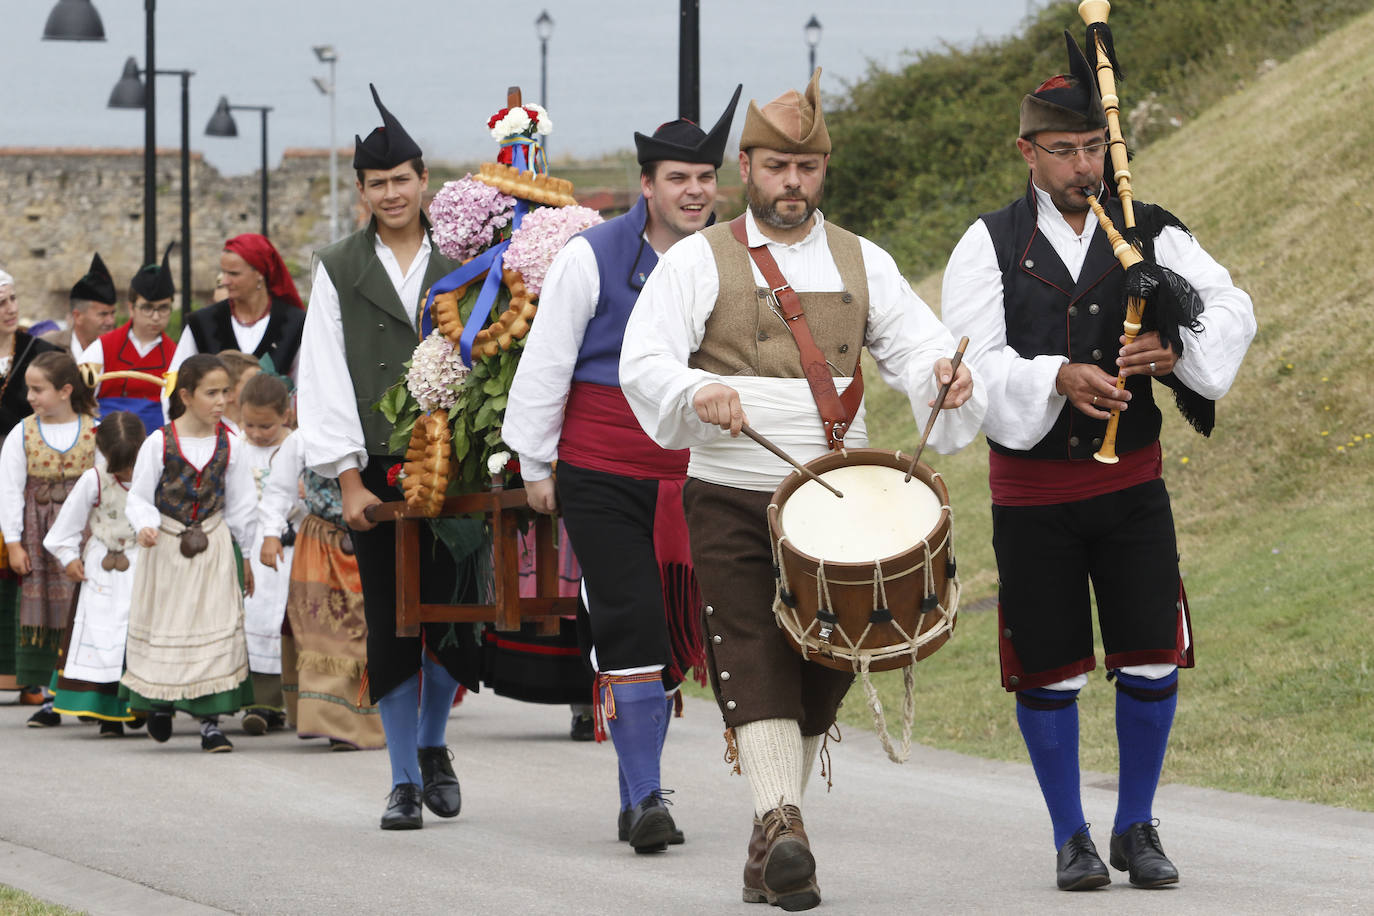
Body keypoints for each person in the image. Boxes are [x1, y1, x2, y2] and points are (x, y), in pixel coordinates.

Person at [619, 71, 985, 909]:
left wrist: (942, 375)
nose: (793, 183)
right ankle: (784, 821)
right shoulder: (698, 261)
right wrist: (690, 392)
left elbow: (921, 343)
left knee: (829, 661)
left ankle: (765, 843)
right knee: (750, 648)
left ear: (823, 172)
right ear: (746, 167)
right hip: (730, 487)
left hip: (842, 508)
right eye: (777, 166)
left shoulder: (864, 259)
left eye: (807, 168)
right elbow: (644, 361)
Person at [939, 34, 1256, 892]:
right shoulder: (989, 244)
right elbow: (970, 366)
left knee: (1151, 652)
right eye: (1063, 150)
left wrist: (1174, 345)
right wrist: (1055, 377)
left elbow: (1233, 307)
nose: (1083, 165)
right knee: (1049, 665)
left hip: (1131, 488)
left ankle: (1136, 824)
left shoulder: (1150, 231)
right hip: (1034, 494)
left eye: (1092, 148)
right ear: (1028, 153)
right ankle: (1070, 835)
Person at [504, 85, 741, 854]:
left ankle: (640, 784)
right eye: (677, 178)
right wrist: (536, 460)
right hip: (602, 465)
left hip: (701, 471)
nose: (694, 191)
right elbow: (548, 362)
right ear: (647, 184)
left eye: (705, 178)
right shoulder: (592, 255)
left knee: (676, 633)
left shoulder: (738, 259)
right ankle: (644, 799)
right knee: (630, 619)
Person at [298, 83, 480, 830]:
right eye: (378, 184)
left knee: (457, 620)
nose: (393, 193)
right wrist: (346, 480)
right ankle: (403, 778)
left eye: (403, 179)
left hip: (461, 461)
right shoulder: (338, 266)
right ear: (363, 192)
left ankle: (435, 744)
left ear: (423, 179)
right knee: (391, 624)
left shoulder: (468, 256)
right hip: (376, 467)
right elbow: (322, 373)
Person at [120, 354, 258, 753]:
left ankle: (210, 723)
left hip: (213, 543)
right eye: (210, 393)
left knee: (211, 625)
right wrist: (145, 524)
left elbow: (243, 506)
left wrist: (245, 555)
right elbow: (140, 496)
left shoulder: (231, 444)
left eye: (225, 392)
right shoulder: (158, 442)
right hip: (166, 544)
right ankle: (160, 704)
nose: (221, 401)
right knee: (167, 623)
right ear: (186, 395)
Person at [260, 425, 384, 751]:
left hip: (371, 540)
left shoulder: (372, 432)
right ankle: (332, 722)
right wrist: (272, 533)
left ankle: (367, 720)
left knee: (365, 630)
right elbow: (279, 489)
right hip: (319, 543)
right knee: (322, 631)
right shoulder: (301, 440)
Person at [0, 352, 100, 726]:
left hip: (83, 535)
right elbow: (9, 490)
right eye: (28, 388)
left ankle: (86, 690)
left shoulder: (95, 430)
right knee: (42, 609)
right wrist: (13, 542)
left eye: (38, 389)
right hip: (38, 535)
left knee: (84, 608)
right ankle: (47, 695)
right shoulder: (22, 433)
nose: (30, 396)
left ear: (65, 391)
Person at [43, 411, 147, 736]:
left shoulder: (154, 476)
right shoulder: (95, 479)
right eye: (121, 465)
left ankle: (138, 704)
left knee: (137, 632)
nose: (128, 472)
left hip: (143, 564)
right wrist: (69, 556)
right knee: (101, 635)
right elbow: (65, 527)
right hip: (102, 569)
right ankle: (105, 712)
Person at [0, 269, 60, 700]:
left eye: (13, 299)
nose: (11, 309)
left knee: (20, 571)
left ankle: (26, 674)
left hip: (24, 475)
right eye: (1, 303)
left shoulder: (37, 353)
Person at [236, 371, 296, 735]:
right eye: (250, 425)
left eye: (266, 426)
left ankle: (290, 702)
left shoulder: (296, 446)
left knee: (285, 620)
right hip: (251, 545)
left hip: (290, 544)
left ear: (286, 416)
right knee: (254, 619)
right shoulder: (237, 447)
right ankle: (258, 702)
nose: (257, 433)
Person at [170, 234, 304, 380]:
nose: (225, 281)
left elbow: (307, 384)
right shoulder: (202, 323)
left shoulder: (294, 323)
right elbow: (176, 380)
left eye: (234, 274)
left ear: (259, 273)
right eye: (224, 272)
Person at [85, 248, 178, 434]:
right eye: (147, 308)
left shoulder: (177, 355)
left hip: (155, 443)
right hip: (105, 440)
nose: (155, 316)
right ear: (131, 308)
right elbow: (81, 398)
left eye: (163, 308)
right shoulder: (101, 348)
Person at [42, 254, 119, 360]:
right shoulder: (48, 348)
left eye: (113, 313)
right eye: (103, 314)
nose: (111, 321)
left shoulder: (122, 350)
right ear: (78, 316)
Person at [214, 350, 262, 435]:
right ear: (228, 393)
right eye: (254, 382)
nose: (263, 387)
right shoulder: (212, 432)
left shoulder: (265, 427)